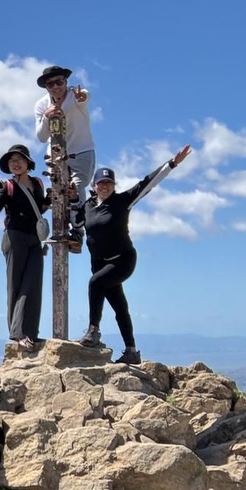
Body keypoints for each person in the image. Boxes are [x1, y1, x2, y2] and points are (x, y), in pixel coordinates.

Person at [77, 144, 193, 365]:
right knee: (120, 306)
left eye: (109, 183)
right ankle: (131, 351)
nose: (105, 186)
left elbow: (146, 183)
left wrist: (171, 164)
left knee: (95, 284)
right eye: (101, 183)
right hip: (100, 263)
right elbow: (76, 222)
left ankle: (93, 331)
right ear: (94, 185)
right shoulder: (87, 207)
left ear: (114, 185)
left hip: (123, 261)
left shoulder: (122, 201)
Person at [0, 143, 49, 351]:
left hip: (34, 238)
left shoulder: (38, 183)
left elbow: (40, 207)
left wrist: (52, 198)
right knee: (15, 285)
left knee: (33, 283)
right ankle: (18, 333)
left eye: (19, 159)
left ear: (28, 163)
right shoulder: (7, 186)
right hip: (14, 237)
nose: (15, 163)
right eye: (11, 160)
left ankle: (31, 332)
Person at [34, 65, 94, 249]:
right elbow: (41, 136)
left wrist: (82, 97)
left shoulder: (76, 95)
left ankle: (78, 231)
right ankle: (60, 228)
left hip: (82, 150)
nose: (55, 87)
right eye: (50, 84)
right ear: (46, 87)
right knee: (58, 191)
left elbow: (84, 96)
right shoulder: (41, 105)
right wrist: (47, 116)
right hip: (56, 154)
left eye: (59, 82)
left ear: (65, 82)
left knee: (76, 188)